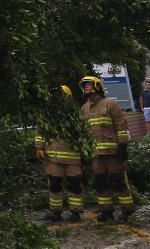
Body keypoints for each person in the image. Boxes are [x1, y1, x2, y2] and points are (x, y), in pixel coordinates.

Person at [79, 74, 134, 222]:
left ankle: (127, 210)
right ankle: (106, 211)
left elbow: (121, 126)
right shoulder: (84, 108)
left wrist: (123, 146)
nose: (86, 87)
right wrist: (85, 152)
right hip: (96, 154)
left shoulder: (110, 104)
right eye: (84, 85)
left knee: (118, 181)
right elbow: (83, 132)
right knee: (100, 182)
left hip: (113, 152)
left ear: (97, 86)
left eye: (88, 84)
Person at [34, 85, 87, 222]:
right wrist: (39, 147)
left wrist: (86, 154)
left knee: (74, 185)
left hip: (72, 158)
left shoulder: (76, 115)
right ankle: (55, 212)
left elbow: (85, 134)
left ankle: (76, 212)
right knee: (54, 185)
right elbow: (41, 132)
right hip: (53, 157)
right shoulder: (48, 115)